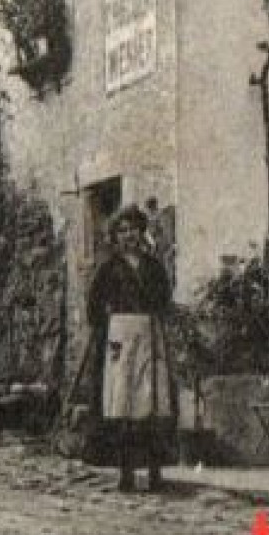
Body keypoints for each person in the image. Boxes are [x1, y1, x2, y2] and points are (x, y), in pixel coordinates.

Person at [86, 204, 176, 493]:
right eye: (123, 231)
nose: (129, 236)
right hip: (120, 337)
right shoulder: (108, 268)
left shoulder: (153, 266)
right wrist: (110, 328)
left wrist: (154, 320)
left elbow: (164, 300)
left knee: (151, 403)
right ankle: (125, 473)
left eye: (134, 230)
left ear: (142, 232)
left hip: (150, 334)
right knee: (123, 403)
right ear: (116, 236)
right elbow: (93, 307)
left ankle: (154, 473)